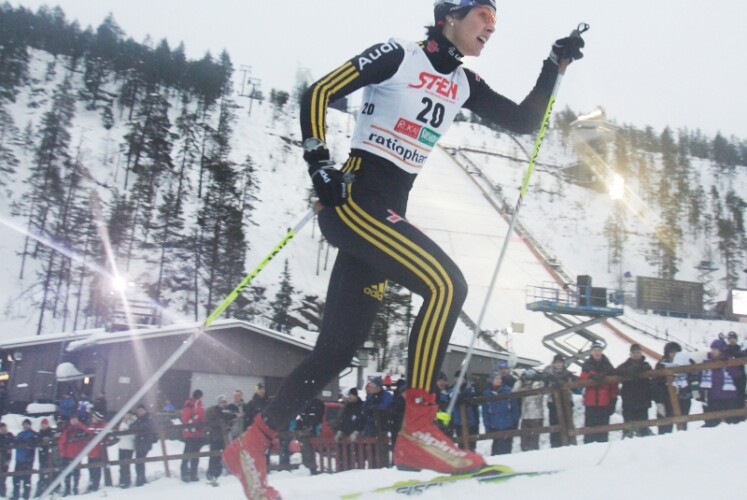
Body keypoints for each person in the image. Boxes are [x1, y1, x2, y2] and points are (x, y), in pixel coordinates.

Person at [222, 1, 586, 496]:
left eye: (496, 21)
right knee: (446, 285)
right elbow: (319, 91)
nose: (491, 26)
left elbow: (524, 121)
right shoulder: (399, 55)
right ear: (450, 16)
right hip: (355, 200)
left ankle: (251, 444)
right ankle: (417, 428)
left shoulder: (463, 83)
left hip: (385, 211)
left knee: (337, 350)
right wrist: (318, 162)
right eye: (482, 15)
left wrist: (553, 65)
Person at [652, 342, 698, 434]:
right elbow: (656, 383)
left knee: (683, 422)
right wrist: (659, 401)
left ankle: (682, 438)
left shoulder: (687, 361)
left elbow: (694, 373)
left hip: (684, 396)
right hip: (667, 397)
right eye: (671, 352)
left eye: (676, 352)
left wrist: (693, 389)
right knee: (665, 424)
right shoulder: (661, 364)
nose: (674, 354)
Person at [580, 341, 618, 443]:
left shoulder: (608, 365)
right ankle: (588, 446)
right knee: (589, 428)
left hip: (604, 402)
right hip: (591, 402)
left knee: (603, 428)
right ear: (591, 352)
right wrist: (590, 376)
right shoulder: (587, 365)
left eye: (599, 350)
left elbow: (613, 384)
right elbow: (582, 378)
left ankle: (603, 444)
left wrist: (613, 399)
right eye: (595, 350)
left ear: (601, 351)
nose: (597, 352)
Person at [700, 338, 742, 427]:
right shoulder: (706, 362)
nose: (713, 351)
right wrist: (702, 393)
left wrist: (728, 365)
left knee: (732, 422)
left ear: (721, 350)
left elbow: (738, 375)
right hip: (713, 396)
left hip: (729, 395)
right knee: (713, 422)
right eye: (712, 349)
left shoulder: (729, 360)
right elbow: (700, 377)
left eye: (715, 349)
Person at [616, 344, 653, 437]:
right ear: (630, 354)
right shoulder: (624, 366)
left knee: (643, 424)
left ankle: (644, 435)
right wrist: (631, 371)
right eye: (634, 352)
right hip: (629, 400)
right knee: (629, 425)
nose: (636, 354)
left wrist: (636, 371)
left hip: (643, 399)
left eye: (638, 352)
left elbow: (648, 370)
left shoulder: (646, 365)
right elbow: (617, 371)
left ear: (641, 353)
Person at [481, 371, 520, 455]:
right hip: (494, 425)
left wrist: (514, 423)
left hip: (507, 424)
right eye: (496, 378)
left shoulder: (508, 390)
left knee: (506, 449)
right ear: (491, 380)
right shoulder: (487, 393)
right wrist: (487, 426)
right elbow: (485, 412)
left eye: (500, 378)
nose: (499, 380)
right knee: (496, 449)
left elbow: (515, 409)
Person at [543, 353, 576, 447]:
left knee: (568, 422)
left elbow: (574, 387)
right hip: (553, 402)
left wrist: (566, 384)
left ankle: (569, 442)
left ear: (563, 363)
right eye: (556, 362)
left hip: (566, 402)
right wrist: (551, 384)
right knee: (554, 423)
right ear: (553, 363)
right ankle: (555, 444)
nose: (558, 364)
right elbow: (545, 386)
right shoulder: (548, 374)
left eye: (560, 362)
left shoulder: (568, 374)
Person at [57, 415, 90, 496]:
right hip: (67, 455)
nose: (74, 421)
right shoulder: (67, 429)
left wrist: (80, 426)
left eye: (75, 419)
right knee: (67, 473)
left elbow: (88, 434)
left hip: (77, 455)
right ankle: (68, 490)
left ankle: (75, 488)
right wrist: (63, 453)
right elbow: (62, 442)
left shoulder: (81, 428)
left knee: (76, 473)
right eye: (72, 420)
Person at [514, 369, 545, 451]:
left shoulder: (538, 385)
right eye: (526, 380)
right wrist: (520, 381)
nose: (527, 382)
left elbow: (535, 393)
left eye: (529, 380)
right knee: (524, 442)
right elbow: (514, 391)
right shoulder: (523, 386)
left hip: (536, 417)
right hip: (525, 417)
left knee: (534, 441)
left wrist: (527, 388)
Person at [205, 395, 232, 484]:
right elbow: (210, 423)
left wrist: (227, 426)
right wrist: (221, 423)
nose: (223, 404)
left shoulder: (226, 412)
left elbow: (229, 422)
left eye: (224, 402)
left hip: (223, 437)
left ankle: (217, 472)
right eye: (222, 402)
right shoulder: (213, 411)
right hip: (215, 437)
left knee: (221, 455)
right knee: (214, 455)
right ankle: (211, 473)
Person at [450, 371, 480, 450]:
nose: (459, 380)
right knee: (461, 444)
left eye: (461, 378)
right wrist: (462, 396)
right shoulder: (453, 389)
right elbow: (454, 401)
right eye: (457, 378)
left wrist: (462, 397)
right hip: (458, 421)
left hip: (472, 420)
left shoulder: (472, 387)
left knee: (472, 443)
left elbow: (475, 397)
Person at [295, 398, 325, 475]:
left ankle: (309, 467)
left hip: (310, 429)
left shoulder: (315, 403)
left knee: (307, 448)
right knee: (306, 448)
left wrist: (310, 427)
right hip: (304, 429)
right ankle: (308, 466)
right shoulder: (303, 402)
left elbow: (318, 418)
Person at [180, 389, 205, 482]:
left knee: (193, 454)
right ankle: (186, 474)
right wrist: (194, 423)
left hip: (197, 433)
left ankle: (192, 473)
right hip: (191, 433)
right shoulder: (191, 404)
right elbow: (186, 418)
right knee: (188, 454)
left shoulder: (197, 404)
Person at [131, 404, 157, 487]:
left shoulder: (148, 418)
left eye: (141, 410)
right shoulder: (139, 420)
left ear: (145, 410)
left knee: (140, 460)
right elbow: (132, 426)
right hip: (140, 442)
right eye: (138, 411)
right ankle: (141, 478)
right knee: (139, 461)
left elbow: (146, 426)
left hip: (145, 441)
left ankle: (140, 479)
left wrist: (139, 427)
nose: (140, 412)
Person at [13, 419, 37, 500]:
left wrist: (26, 442)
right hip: (19, 459)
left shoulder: (33, 434)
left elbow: (34, 442)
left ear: (30, 425)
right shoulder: (20, 434)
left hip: (28, 460)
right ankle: (16, 496)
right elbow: (14, 441)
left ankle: (26, 496)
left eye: (27, 424)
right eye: (24, 424)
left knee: (26, 479)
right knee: (16, 478)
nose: (25, 426)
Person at [86, 411, 108, 493]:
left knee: (97, 469)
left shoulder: (102, 425)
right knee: (90, 469)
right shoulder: (92, 425)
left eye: (94, 418)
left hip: (98, 452)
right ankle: (92, 483)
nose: (92, 419)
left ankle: (95, 484)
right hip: (91, 452)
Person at [35, 418, 58, 497]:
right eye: (42, 424)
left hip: (50, 455)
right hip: (42, 455)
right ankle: (41, 489)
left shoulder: (51, 432)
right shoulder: (40, 433)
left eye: (45, 424)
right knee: (42, 473)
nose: (44, 426)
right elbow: (37, 441)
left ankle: (53, 488)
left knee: (51, 472)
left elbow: (54, 441)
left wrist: (50, 440)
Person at [117, 411, 137, 488]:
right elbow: (118, 435)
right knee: (121, 465)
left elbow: (133, 436)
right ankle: (122, 480)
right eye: (125, 415)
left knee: (126, 465)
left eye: (128, 415)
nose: (126, 416)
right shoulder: (122, 423)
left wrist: (127, 432)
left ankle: (126, 481)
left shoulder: (133, 423)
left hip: (129, 446)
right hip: (121, 446)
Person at [0, 422, 12, 498]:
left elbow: (14, 441)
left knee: (3, 477)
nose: (4, 430)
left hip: (6, 459)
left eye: (4, 428)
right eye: (2, 428)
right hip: (1, 458)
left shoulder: (9, 435)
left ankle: (2, 493)